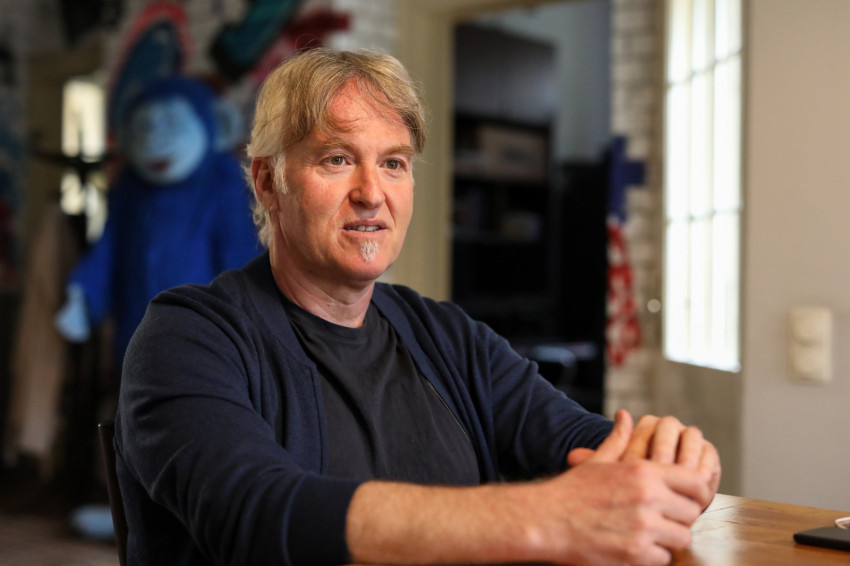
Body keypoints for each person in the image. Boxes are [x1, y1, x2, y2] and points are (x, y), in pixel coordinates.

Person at [115, 48, 720, 566]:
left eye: (393, 163)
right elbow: (253, 512)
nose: (372, 193)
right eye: (337, 158)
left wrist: (670, 456)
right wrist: (542, 517)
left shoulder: (447, 336)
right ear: (269, 183)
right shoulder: (186, 337)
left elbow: (580, 440)